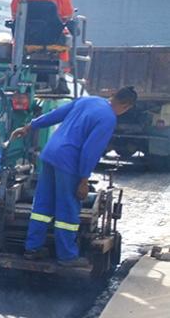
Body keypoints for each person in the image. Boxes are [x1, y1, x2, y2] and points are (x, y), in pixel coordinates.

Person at [9, 87, 138, 266]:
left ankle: (32, 248)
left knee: (42, 205)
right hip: (68, 161)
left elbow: (56, 114)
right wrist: (84, 180)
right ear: (126, 106)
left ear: (112, 95)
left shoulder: (89, 100)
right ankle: (67, 256)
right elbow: (90, 151)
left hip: (50, 154)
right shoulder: (108, 119)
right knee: (67, 209)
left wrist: (29, 126)